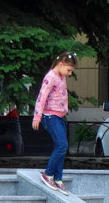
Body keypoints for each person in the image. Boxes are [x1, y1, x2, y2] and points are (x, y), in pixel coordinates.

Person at [32, 51, 78, 195]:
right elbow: (41, 96)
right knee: (62, 145)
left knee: (61, 146)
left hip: (58, 116)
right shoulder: (50, 77)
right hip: (49, 116)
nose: (70, 73)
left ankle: (58, 179)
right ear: (60, 64)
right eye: (69, 70)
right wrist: (37, 117)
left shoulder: (61, 76)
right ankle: (48, 174)